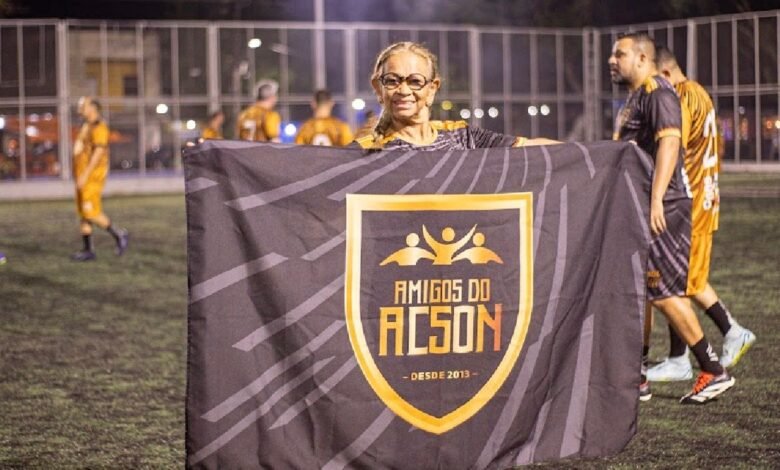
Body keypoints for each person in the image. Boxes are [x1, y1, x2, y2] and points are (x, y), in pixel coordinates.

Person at [609, 32, 734, 404]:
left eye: (620, 54)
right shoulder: (637, 96)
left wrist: (656, 199)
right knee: (645, 290)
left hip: (665, 205)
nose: (612, 60)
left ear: (643, 58)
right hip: (646, 203)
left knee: (664, 293)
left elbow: (670, 142)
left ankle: (713, 370)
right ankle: (638, 375)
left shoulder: (658, 93)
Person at [645, 47, 755, 382]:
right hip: (702, 196)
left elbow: (672, 144)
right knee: (679, 278)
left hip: (690, 201)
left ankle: (732, 331)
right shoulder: (700, 93)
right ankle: (679, 358)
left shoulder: (680, 97)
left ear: (665, 74)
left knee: (681, 282)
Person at [354, 41, 557, 151]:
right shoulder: (365, 152)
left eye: (415, 81)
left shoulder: (462, 137)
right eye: (392, 81)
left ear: (432, 89)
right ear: (378, 88)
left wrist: (577, 154)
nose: (404, 90)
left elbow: (530, 148)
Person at [71, 97, 129, 262]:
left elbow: (98, 153)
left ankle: (119, 234)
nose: (80, 108)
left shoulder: (99, 127)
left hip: (92, 177)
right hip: (82, 175)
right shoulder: (87, 126)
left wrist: (85, 175)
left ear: (92, 108)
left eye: (83, 105)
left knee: (91, 213)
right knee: (84, 213)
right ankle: (88, 250)